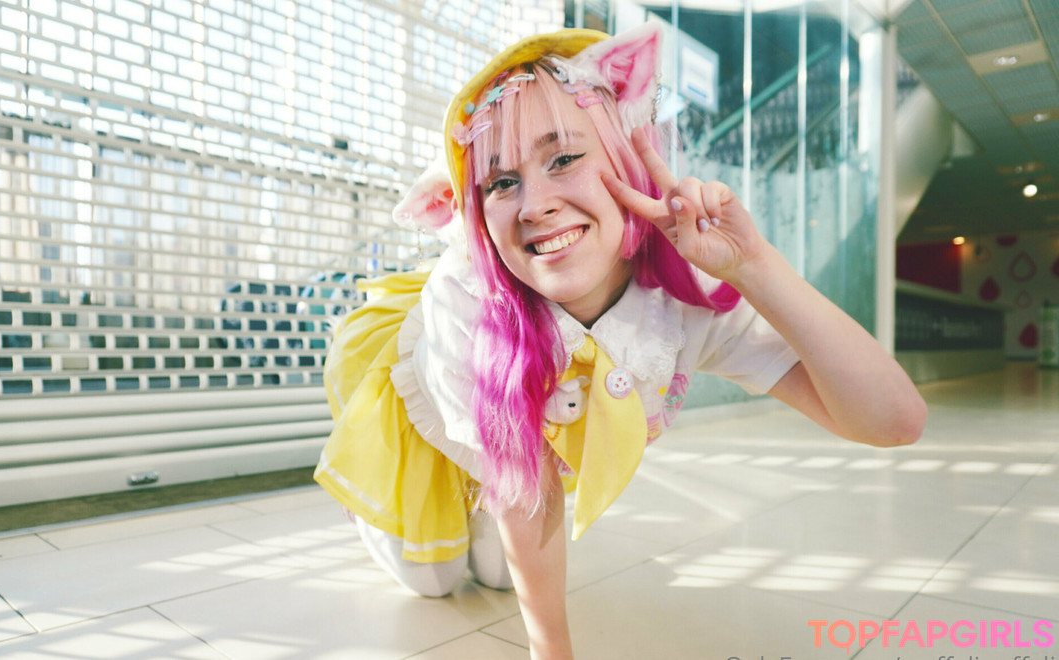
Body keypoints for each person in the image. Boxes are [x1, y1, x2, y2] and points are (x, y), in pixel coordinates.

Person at [315, 23, 927, 660]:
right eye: (501, 182)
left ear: (628, 159)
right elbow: (526, 488)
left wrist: (756, 267)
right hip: (427, 428)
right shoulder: (464, 302)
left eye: (563, 159)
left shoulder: (686, 293)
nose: (534, 205)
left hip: (524, 457)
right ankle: (370, 513)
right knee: (433, 580)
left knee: (498, 573)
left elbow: (896, 421)